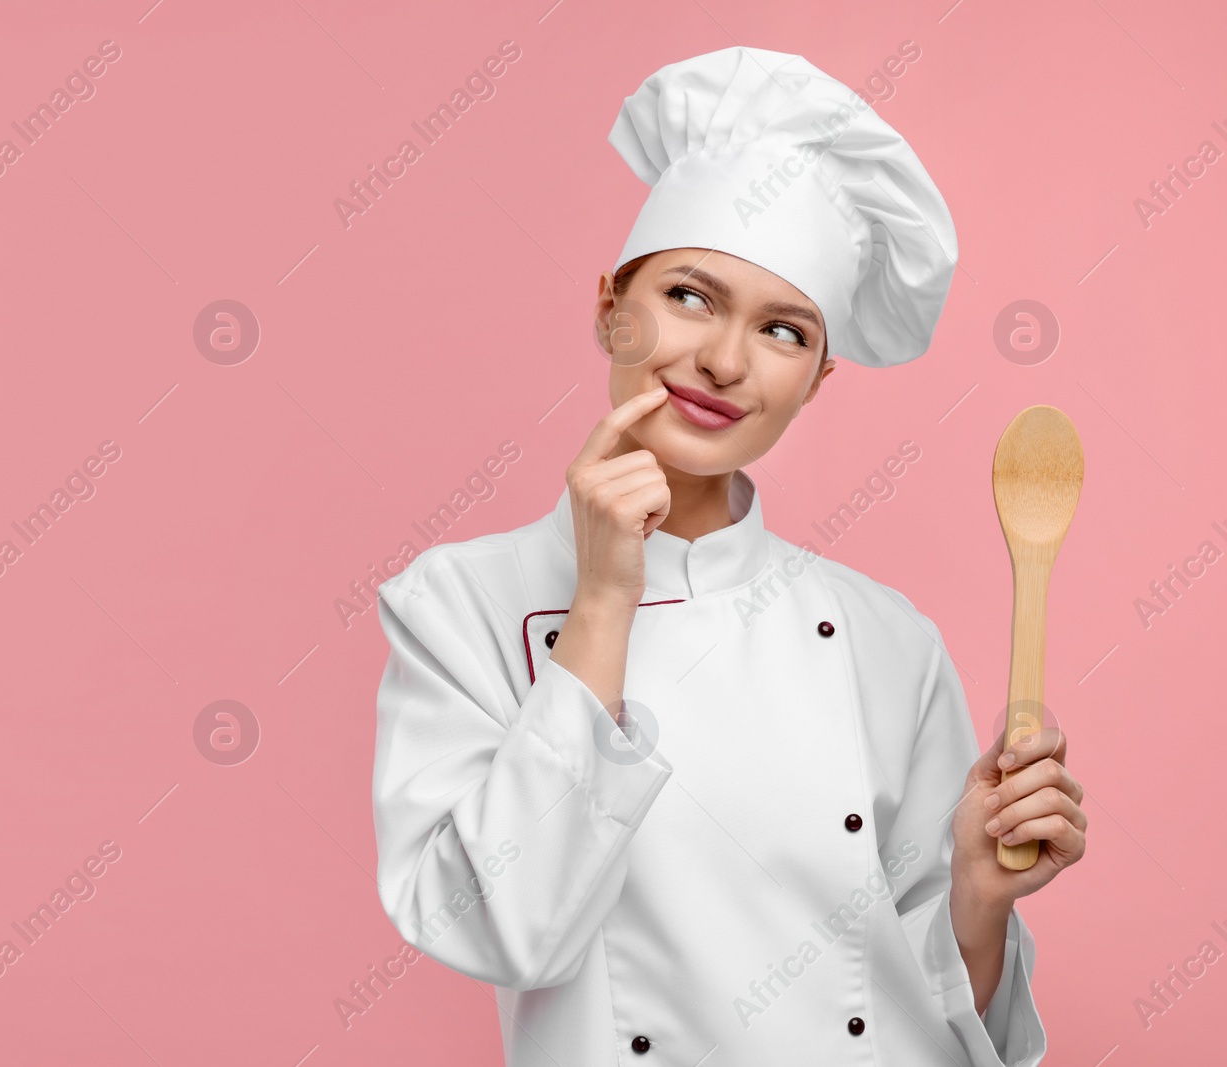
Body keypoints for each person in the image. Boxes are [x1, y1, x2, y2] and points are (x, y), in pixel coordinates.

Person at [369, 46, 1086, 1065]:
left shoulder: (888, 636)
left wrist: (977, 894)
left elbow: (947, 1014)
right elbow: (504, 928)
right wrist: (606, 595)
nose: (722, 360)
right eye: (690, 296)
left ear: (816, 382)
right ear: (609, 304)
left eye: (783, 330)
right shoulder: (457, 602)